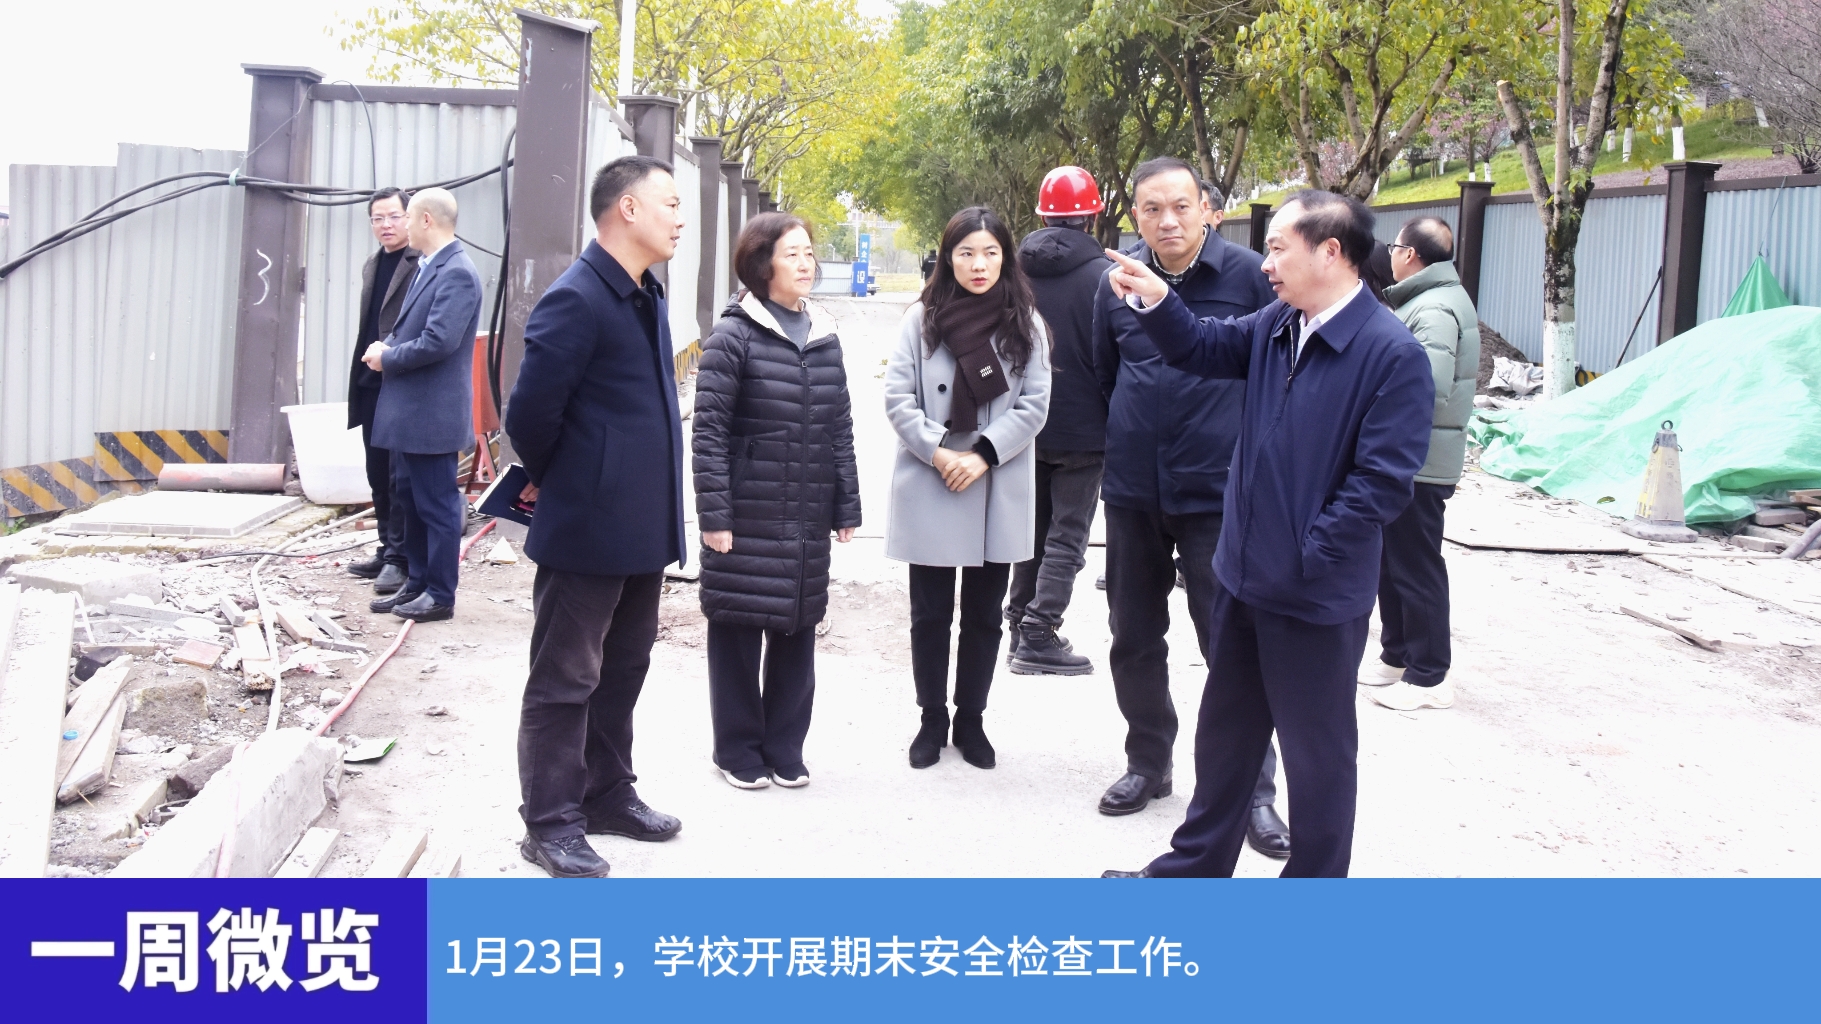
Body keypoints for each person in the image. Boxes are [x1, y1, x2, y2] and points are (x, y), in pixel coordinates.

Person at [1100, 189, 1434, 878]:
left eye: (1279, 248)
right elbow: (1202, 346)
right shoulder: (1281, 322)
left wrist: (1307, 556)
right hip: (1245, 578)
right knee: (1226, 738)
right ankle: (1193, 873)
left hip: (1313, 595)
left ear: (1330, 252)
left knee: (1317, 757)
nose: (1266, 264)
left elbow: (1381, 483)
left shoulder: (1389, 353)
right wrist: (1156, 300)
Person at [1091, 158, 1290, 860]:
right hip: (1133, 488)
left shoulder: (1250, 278)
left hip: (1218, 493)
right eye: (1151, 209)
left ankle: (1252, 792)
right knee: (1133, 635)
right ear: (1135, 216)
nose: (1167, 221)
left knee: (1229, 644)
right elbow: (1104, 374)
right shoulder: (1113, 282)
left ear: (1208, 208)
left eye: (1180, 206)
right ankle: (1148, 761)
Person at [504, 155, 688, 878]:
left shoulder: (644, 294)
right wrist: (581, 482)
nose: (679, 218)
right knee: (564, 680)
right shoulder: (576, 299)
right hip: (587, 527)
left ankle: (607, 794)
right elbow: (530, 418)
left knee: (622, 669)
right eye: (670, 203)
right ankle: (549, 822)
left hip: (640, 527)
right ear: (627, 209)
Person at [693, 212, 861, 790]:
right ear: (761, 263)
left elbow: (839, 426)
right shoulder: (733, 335)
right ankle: (736, 748)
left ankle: (785, 746)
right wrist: (715, 515)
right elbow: (709, 433)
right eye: (793, 254)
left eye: (809, 252)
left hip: (806, 513)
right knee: (738, 628)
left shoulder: (824, 334)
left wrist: (846, 504)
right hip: (747, 512)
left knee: (797, 623)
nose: (806, 263)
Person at [885, 206, 1051, 771]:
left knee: (984, 614)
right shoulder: (921, 320)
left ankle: (971, 720)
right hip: (933, 475)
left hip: (995, 479)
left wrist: (982, 455)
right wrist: (938, 451)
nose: (979, 265)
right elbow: (898, 398)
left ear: (1006, 258)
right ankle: (931, 718)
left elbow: (1034, 405)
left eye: (990, 253)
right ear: (948, 257)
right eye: (966, 253)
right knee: (929, 613)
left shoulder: (1026, 323)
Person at [1362, 216, 1480, 711]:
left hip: (1421, 459)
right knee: (1392, 561)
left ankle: (1430, 675)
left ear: (1409, 254)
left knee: (1416, 565)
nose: (1389, 255)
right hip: (1409, 455)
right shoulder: (1428, 300)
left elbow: (1425, 386)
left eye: (1394, 247)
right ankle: (1397, 654)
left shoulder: (1433, 309)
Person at [1005, 166, 1111, 676]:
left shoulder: (1013, 274)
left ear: (1042, 215)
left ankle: (1016, 623)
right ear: (1092, 217)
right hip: (1085, 428)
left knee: (1032, 530)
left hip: (1025, 423)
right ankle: (1039, 632)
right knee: (1068, 534)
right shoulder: (1104, 278)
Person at [361, 187, 482, 624]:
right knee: (410, 501)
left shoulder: (457, 272)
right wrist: (387, 346)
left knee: (437, 505)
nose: (402, 226)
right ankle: (417, 583)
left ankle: (440, 593)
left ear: (427, 220)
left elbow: (439, 341)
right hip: (411, 413)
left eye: (408, 218)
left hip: (433, 414)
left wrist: (388, 357)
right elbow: (411, 328)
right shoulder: (427, 266)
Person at [344, 186, 420, 597]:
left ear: (411, 218)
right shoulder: (373, 264)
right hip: (370, 380)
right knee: (376, 470)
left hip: (400, 379)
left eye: (393, 216)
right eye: (378, 218)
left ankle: (400, 558)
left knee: (397, 475)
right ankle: (386, 546)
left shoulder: (420, 263)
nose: (386, 225)